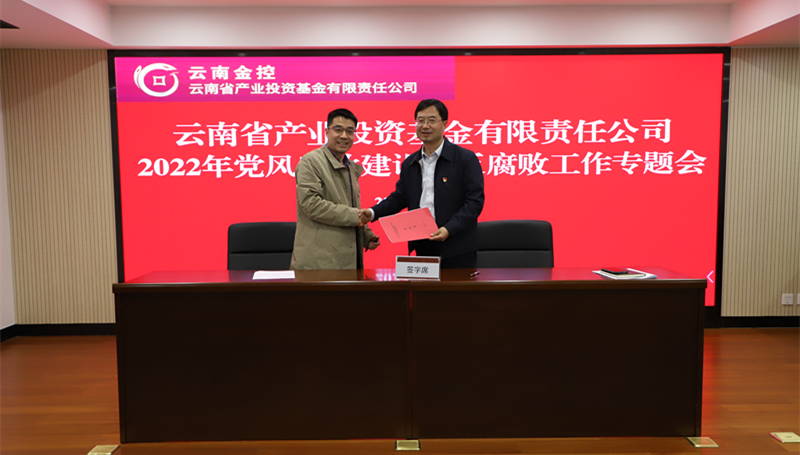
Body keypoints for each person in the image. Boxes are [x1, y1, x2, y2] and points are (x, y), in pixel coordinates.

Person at [360, 99, 484, 269]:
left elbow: (474, 202)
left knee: (456, 288)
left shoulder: (465, 159)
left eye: (431, 120)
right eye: (420, 120)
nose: (425, 126)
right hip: (423, 244)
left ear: (444, 124)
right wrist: (373, 212)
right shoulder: (410, 163)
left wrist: (449, 229)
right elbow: (399, 198)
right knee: (424, 287)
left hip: (457, 247)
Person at [290, 108, 379, 270]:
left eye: (350, 131)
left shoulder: (350, 166)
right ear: (327, 132)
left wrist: (366, 235)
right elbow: (312, 205)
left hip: (345, 258)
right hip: (319, 262)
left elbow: (350, 207)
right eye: (338, 130)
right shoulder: (310, 162)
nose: (344, 136)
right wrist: (355, 216)